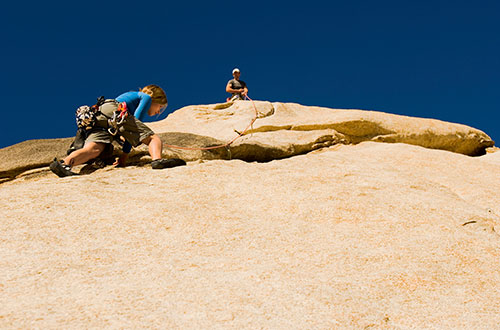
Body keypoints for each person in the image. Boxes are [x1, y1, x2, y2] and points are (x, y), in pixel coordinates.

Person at [50, 85, 185, 177]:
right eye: (160, 107)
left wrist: (123, 156)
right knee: (153, 139)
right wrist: (126, 153)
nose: (158, 112)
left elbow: (126, 130)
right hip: (115, 112)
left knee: (93, 150)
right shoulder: (145, 97)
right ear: (155, 99)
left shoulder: (129, 96)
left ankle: (64, 164)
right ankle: (157, 161)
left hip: (100, 116)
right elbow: (135, 121)